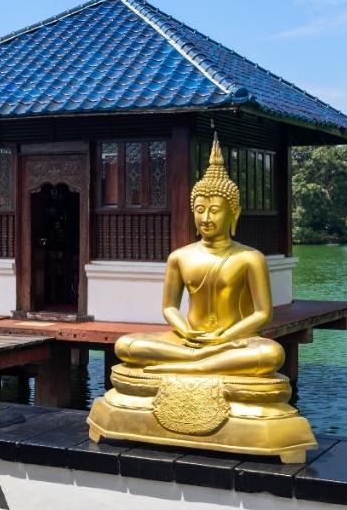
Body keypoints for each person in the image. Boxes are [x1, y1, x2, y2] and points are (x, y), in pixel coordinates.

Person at [114, 135, 284, 377]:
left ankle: (194, 364)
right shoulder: (179, 257)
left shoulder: (250, 257)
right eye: (199, 210)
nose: (205, 218)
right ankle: (198, 359)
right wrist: (185, 331)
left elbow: (263, 314)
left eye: (214, 211)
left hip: (233, 340)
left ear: (233, 213)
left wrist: (224, 337)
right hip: (188, 341)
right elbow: (169, 308)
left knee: (271, 354)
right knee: (126, 345)